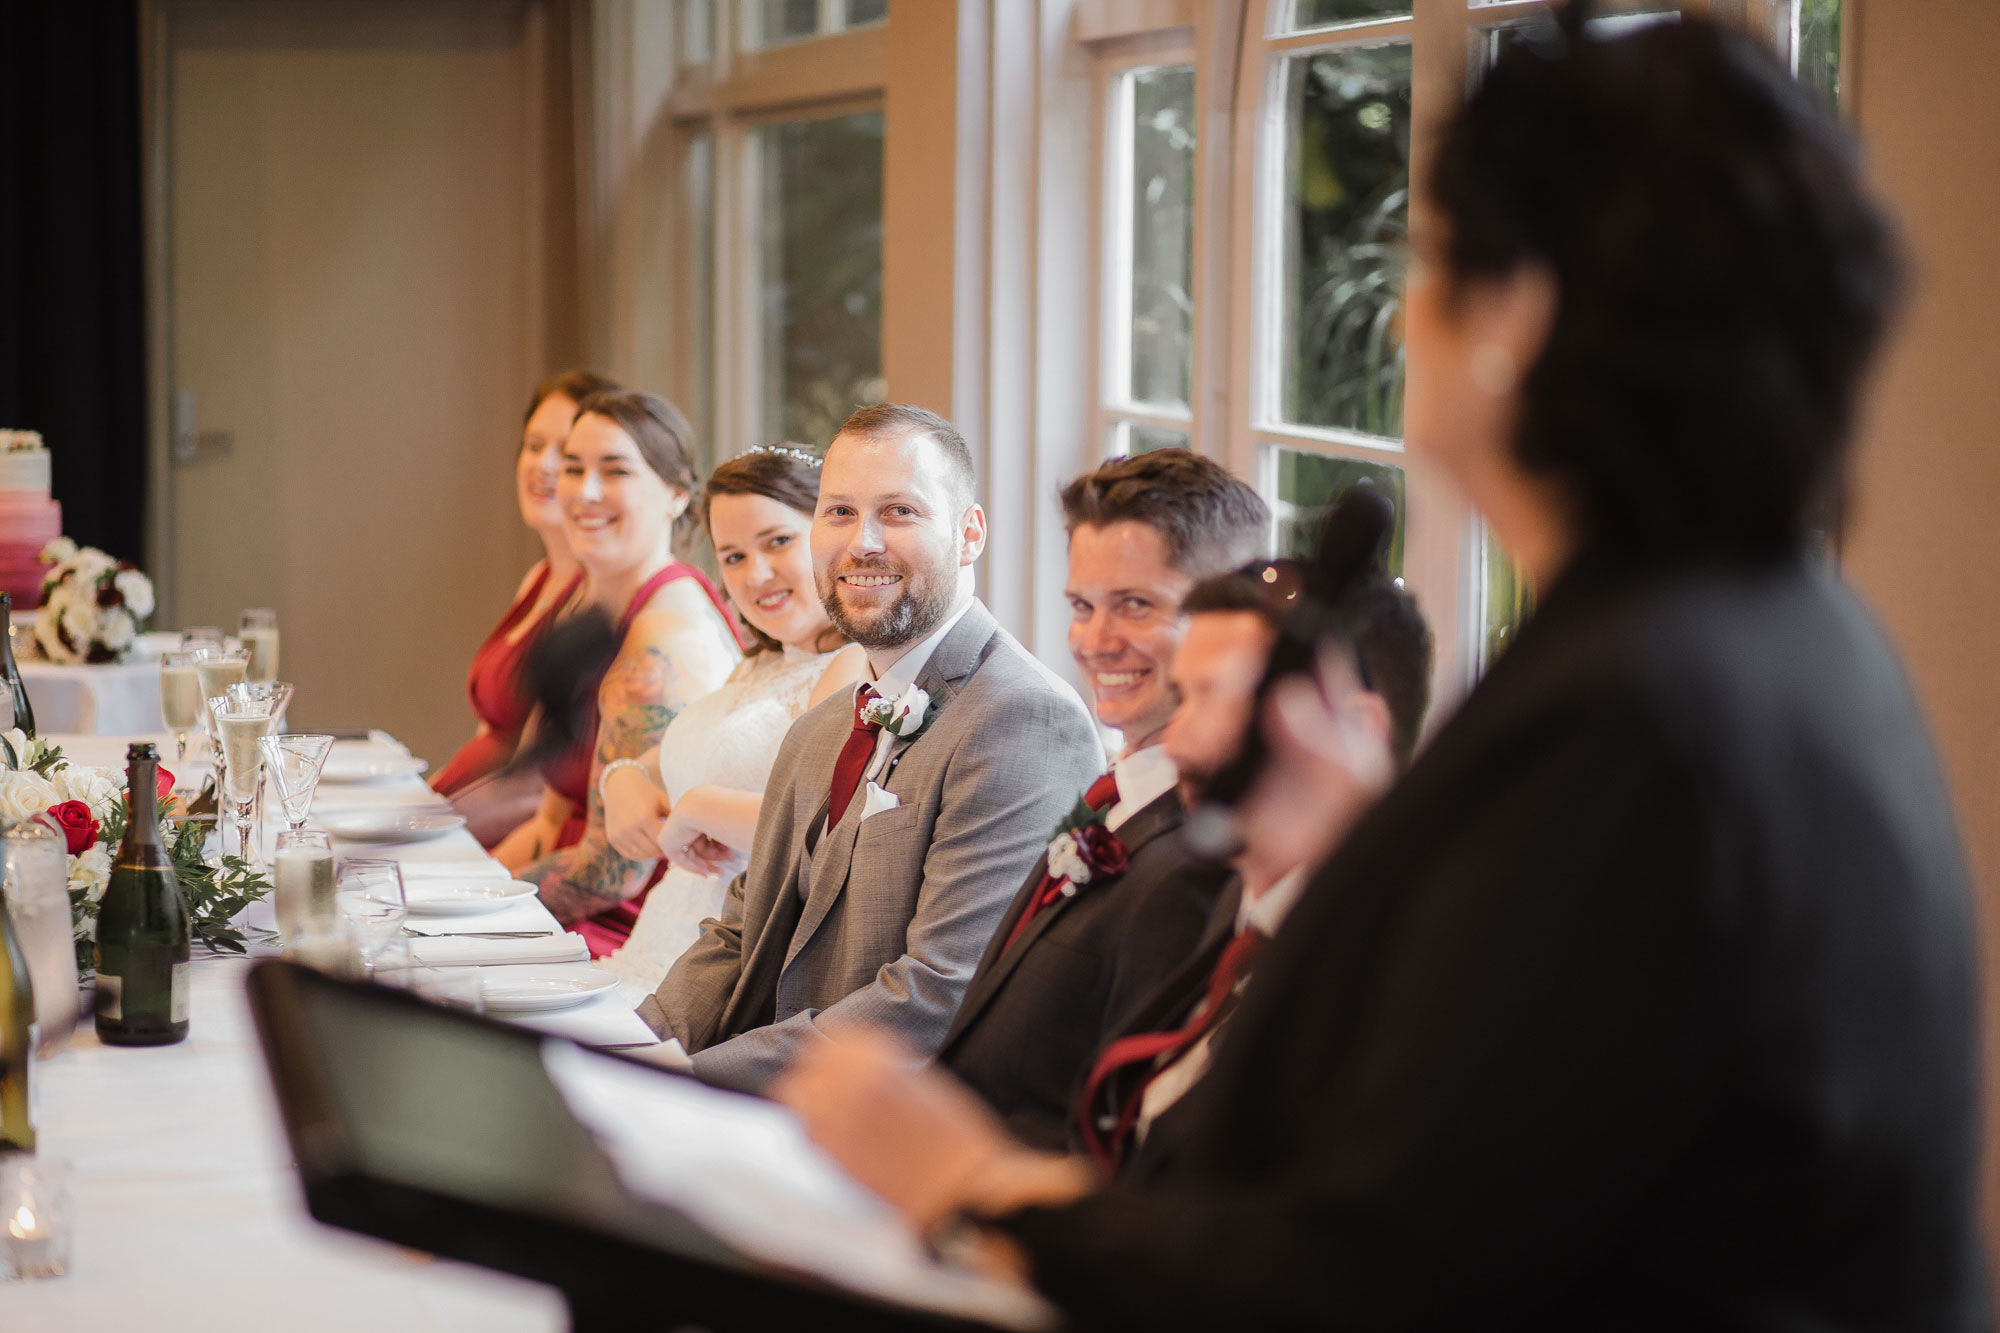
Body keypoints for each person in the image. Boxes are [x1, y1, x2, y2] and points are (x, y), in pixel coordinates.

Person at [775, 13, 1988, 1330]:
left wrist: (975, 1184)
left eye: (1428, 263)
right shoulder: (1771, 637)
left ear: (1517, 313)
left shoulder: (1637, 716)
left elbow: (1364, 1277)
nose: (1405, 323)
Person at [635, 403, 1104, 1093]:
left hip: (896, 1138)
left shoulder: (1022, 719)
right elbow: (740, 935)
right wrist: (630, 1048)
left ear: (969, 532)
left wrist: (698, 1082)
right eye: (840, 512)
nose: (864, 542)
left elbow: (934, 995)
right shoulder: (820, 730)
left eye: (901, 512)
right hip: (763, 1106)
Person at [932, 450, 1267, 1149]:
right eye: (1083, 606)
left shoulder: (1199, 860)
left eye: (1136, 606)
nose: (1094, 642)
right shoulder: (1121, 794)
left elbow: (1112, 1132)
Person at [1079, 559, 1430, 1180]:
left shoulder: (1383, 999)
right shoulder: (1225, 911)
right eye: (1182, 697)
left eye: (1215, 698)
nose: (1177, 742)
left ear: (1357, 731)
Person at [595, 445, 867, 1003]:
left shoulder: (852, 663)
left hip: (727, 970)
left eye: (777, 542)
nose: (756, 574)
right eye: (734, 556)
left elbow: (823, 827)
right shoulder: (760, 663)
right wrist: (620, 780)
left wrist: (697, 806)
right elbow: (656, 764)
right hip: (658, 944)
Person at [499, 389, 744, 956]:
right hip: (561, 898)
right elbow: (550, 814)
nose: (584, 492)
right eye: (574, 467)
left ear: (677, 495)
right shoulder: (596, 610)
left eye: (615, 472)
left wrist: (474, 905)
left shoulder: (661, 647)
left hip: (615, 930)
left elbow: (614, 871)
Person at [431, 369, 617, 845]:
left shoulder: (593, 598)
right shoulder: (538, 578)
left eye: (568, 456)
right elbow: (487, 736)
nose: (544, 466)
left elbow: (537, 784)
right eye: (534, 446)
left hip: (506, 840)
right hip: (463, 823)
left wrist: (425, 836)